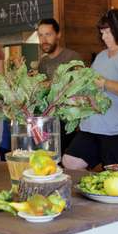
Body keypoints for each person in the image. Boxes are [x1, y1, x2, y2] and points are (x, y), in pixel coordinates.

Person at [62, 9, 118, 170]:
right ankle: (90, 190)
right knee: (71, 161)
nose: (103, 37)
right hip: (94, 126)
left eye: (107, 32)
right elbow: (92, 84)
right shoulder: (102, 56)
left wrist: (105, 83)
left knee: (113, 172)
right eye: (102, 32)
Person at [37, 18, 82, 152]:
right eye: (41, 35)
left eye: (48, 34)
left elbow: (79, 87)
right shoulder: (43, 63)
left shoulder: (72, 58)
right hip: (48, 121)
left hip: (68, 121)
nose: (44, 39)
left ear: (58, 35)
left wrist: (49, 85)